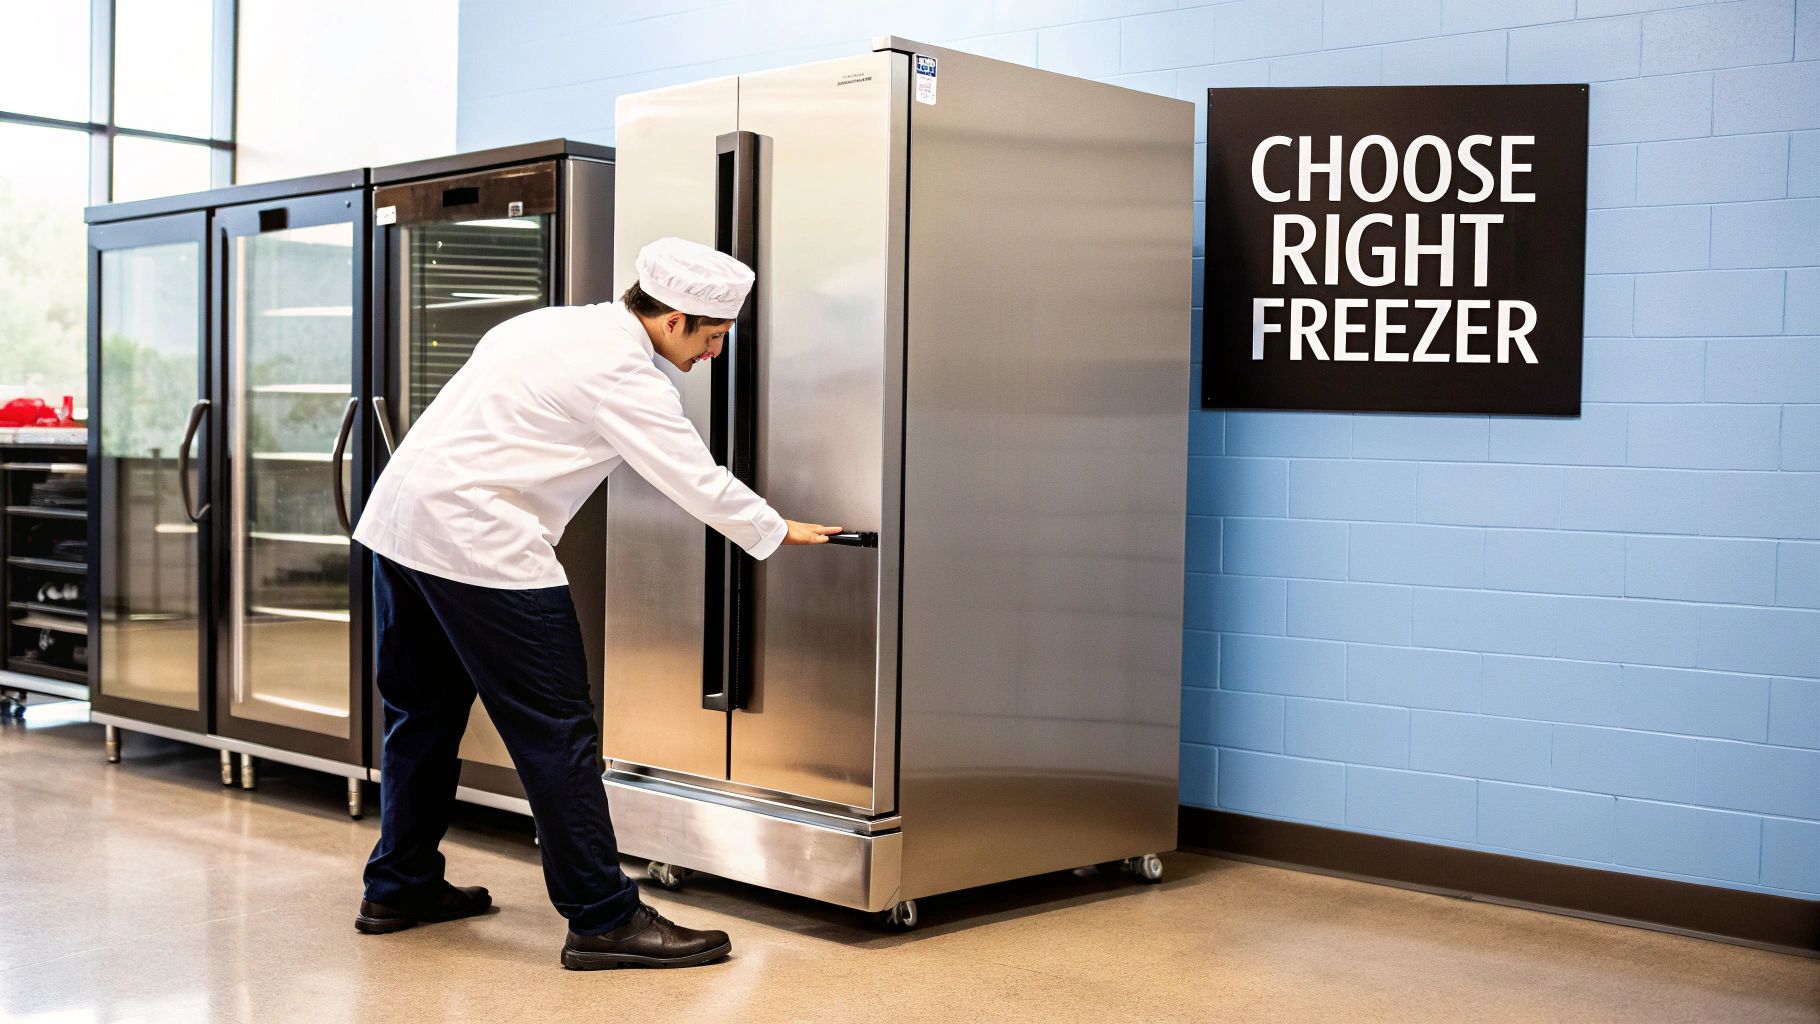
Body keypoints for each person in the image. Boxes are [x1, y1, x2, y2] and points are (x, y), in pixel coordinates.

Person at [350, 237, 838, 970]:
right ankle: (604, 918)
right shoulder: (622, 372)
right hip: (482, 542)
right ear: (673, 319)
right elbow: (691, 474)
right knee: (558, 732)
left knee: (422, 716)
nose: (716, 352)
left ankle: (400, 885)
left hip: (401, 527)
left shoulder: (548, 324)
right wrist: (776, 528)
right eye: (712, 336)